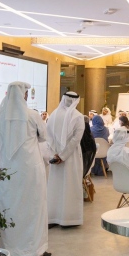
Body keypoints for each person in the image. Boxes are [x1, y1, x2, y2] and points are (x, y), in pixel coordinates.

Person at [0, 82, 50, 256]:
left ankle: (10, 249)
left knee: (11, 205)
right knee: (33, 206)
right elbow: (44, 137)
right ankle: (33, 250)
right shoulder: (32, 115)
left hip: (8, 170)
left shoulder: (0, 116)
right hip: (31, 168)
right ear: (24, 95)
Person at [46, 91, 85, 228]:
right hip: (71, 157)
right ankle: (69, 219)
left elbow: (48, 137)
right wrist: (63, 156)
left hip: (55, 156)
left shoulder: (54, 114)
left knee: (55, 187)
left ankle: (53, 217)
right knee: (70, 186)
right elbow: (76, 139)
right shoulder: (78, 116)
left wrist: (55, 155)